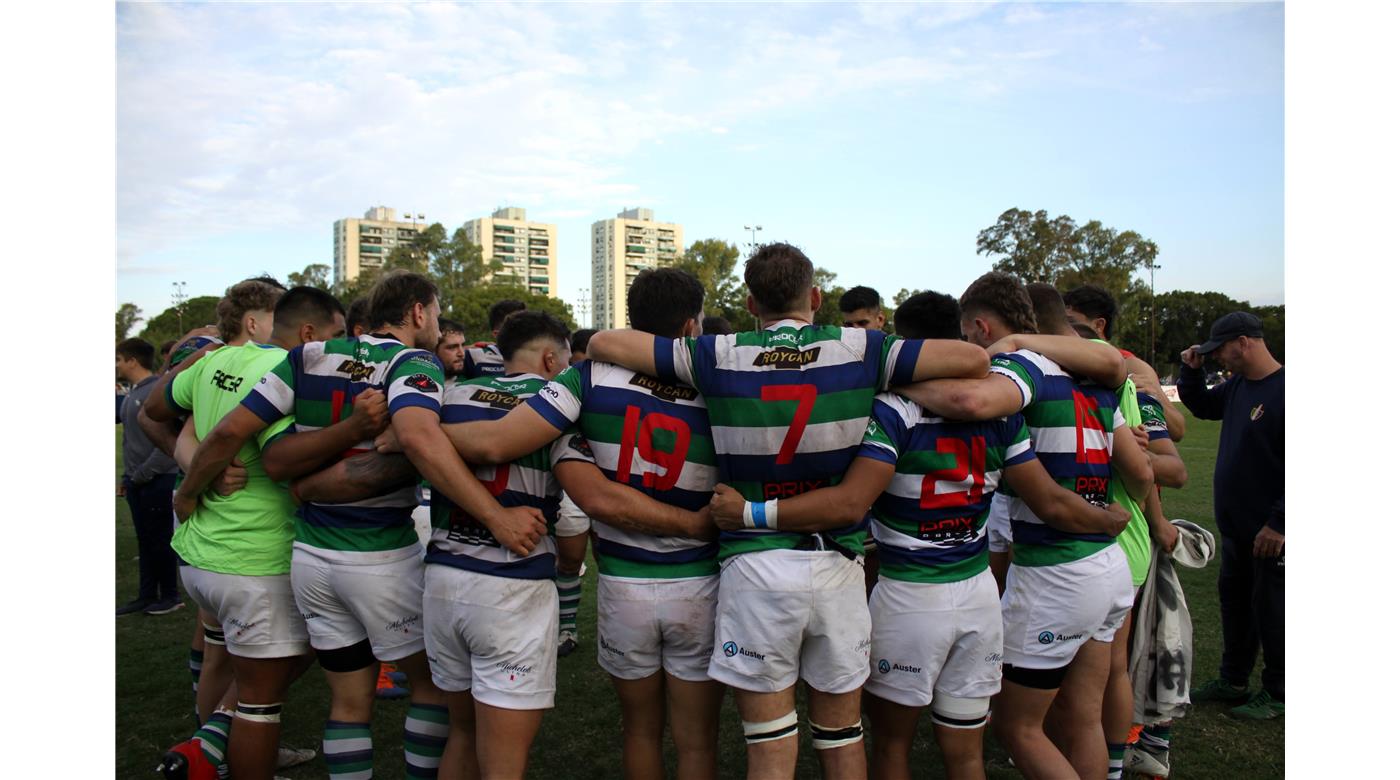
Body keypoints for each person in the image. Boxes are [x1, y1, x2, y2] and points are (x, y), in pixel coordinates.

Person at [588, 243, 991, 779]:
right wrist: (878, 374)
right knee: (842, 735)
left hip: (754, 568)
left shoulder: (715, 353)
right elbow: (975, 359)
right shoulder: (862, 348)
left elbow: (602, 341)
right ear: (817, 297)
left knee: (770, 744)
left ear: (752, 303)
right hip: (836, 562)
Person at [707, 290, 1129, 780]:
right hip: (977, 598)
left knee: (891, 747)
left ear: (904, 343)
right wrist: (1103, 519)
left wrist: (751, 511)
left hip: (909, 597)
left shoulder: (890, 409)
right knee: (967, 756)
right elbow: (1048, 498)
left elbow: (850, 500)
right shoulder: (1001, 413)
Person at [178, 271, 547, 779]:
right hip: (378, 557)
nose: (438, 325)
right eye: (436, 313)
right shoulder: (413, 361)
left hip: (310, 556)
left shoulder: (307, 356)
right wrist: (496, 518)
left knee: (348, 702)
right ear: (418, 312)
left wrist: (188, 491)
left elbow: (229, 432)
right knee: (431, 687)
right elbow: (419, 441)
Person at [431, 268, 724, 780]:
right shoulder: (718, 382)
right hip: (698, 581)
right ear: (690, 326)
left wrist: (417, 434)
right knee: (696, 742)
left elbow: (503, 445)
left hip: (623, 583)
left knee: (639, 730)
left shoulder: (586, 379)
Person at [896, 271, 1153, 780]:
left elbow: (972, 402)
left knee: (1019, 728)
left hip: (1056, 572)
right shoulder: (1087, 371)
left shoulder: (1021, 368)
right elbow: (1139, 467)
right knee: (1081, 717)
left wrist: (885, 374)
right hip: (1107, 563)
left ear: (981, 326)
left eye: (970, 336)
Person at [149, 282, 343, 779]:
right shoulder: (285, 370)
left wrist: (193, 467)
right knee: (268, 692)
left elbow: (154, 411)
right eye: (334, 335)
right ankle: (220, 748)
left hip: (200, 553)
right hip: (255, 559)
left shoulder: (213, 360)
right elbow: (276, 459)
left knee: (221, 657)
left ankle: (209, 749)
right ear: (302, 328)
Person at [1179, 311, 1284, 720]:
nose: (1219, 356)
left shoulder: (1287, 389)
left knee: (1273, 610)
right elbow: (1204, 407)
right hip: (1238, 527)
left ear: (1244, 341)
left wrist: (1280, 521)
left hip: (1270, 530)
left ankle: (1278, 691)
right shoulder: (1239, 386)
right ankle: (1233, 678)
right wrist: (1192, 372)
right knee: (1236, 605)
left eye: (1221, 348)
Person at [1063, 284, 1186, 443]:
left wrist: (1155, 397)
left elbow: (1178, 431)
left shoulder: (1132, 366)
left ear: (1099, 325)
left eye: (1070, 321)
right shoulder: (1062, 361)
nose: (1064, 329)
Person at [116, 337, 184, 616]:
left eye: (119, 359)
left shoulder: (156, 390)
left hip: (157, 479)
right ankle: (146, 595)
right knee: (145, 540)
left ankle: (170, 595)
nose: (116, 365)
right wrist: (127, 476)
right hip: (137, 481)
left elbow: (170, 441)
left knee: (161, 539)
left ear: (133, 360)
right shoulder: (133, 393)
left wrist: (143, 473)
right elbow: (130, 442)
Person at [462, 299, 526, 379]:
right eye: (517, 327)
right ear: (497, 334)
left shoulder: (539, 357)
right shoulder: (474, 356)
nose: (525, 331)